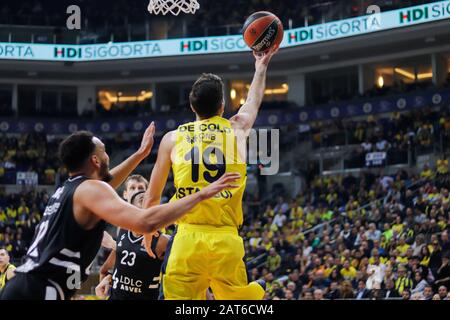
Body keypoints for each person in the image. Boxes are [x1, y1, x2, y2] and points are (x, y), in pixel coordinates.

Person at [0, 126, 239, 300]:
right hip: (39, 289)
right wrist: (201, 194)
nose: (107, 155)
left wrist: (139, 155)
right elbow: (146, 222)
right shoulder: (89, 190)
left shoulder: (69, 188)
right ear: (95, 159)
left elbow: (107, 181)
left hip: (26, 285)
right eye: (104, 152)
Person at [142, 46, 279, 300]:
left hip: (186, 241)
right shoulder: (237, 130)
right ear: (222, 105)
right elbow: (252, 102)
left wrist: (149, 231)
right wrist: (261, 67)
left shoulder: (172, 139)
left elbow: (151, 198)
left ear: (192, 107)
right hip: (224, 241)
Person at [95, 177, 170, 300]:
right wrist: (108, 279)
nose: (137, 192)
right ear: (125, 195)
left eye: (141, 190)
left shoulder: (160, 236)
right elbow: (108, 269)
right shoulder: (122, 228)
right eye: (133, 188)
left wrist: (114, 244)